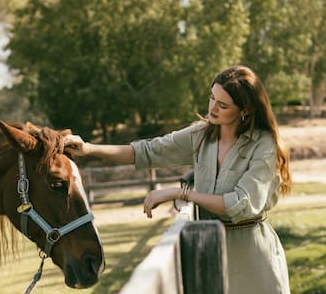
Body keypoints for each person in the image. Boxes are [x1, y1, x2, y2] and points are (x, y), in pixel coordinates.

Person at [65, 65, 291, 294]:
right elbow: (149, 151)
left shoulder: (264, 146)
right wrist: (90, 148)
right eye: (212, 98)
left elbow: (238, 203)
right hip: (210, 251)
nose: (213, 108)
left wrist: (179, 193)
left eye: (223, 105)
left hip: (252, 256)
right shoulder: (201, 135)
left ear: (244, 111)